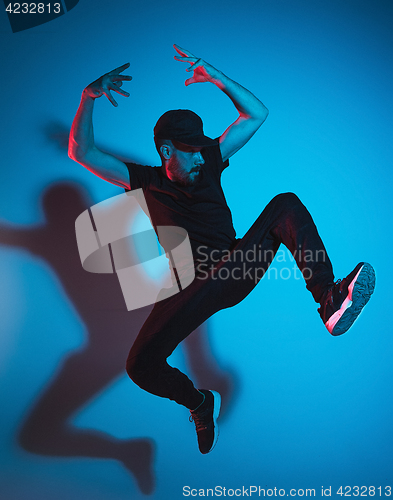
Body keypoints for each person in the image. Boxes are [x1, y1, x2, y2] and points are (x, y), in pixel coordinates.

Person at [68, 45, 376, 455]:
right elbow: (81, 152)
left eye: (202, 148)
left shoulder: (210, 160)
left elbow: (257, 115)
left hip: (235, 268)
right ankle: (199, 402)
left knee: (285, 202)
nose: (200, 156)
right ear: (166, 151)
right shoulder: (144, 180)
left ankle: (328, 299)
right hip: (190, 290)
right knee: (139, 366)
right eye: (190, 150)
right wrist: (88, 97)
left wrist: (215, 77)